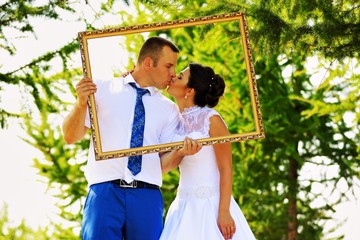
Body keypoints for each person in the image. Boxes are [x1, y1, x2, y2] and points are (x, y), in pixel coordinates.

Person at [62, 37, 201, 240]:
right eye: (169, 66)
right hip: (104, 192)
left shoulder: (169, 109)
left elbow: (162, 164)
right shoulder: (100, 90)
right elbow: (70, 136)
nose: (173, 74)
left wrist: (180, 152)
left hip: (147, 196)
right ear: (148, 63)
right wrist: (80, 103)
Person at [160, 63, 256, 240]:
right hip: (182, 208)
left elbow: (225, 168)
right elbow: (161, 166)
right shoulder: (173, 120)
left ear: (190, 91)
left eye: (180, 77)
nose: (173, 77)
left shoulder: (211, 119)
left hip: (212, 208)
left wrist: (224, 212)